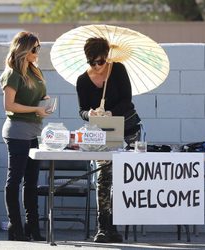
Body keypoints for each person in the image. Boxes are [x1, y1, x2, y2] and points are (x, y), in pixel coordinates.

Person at [76, 37, 141, 243]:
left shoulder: (118, 70)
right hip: (101, 133)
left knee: (123, 177)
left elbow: (127, 99)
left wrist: (111, 112)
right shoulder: (82, 80)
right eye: (91, 62)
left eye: (100, 62)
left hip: (127, 129)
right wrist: (92, 114)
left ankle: (118, 225)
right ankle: (104, 226)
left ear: (107, 56)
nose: (96, 66)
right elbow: (82, 110)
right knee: (104, 177)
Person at [0, 31, 51, 241]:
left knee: (31, 182)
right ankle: (15, 227)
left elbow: (34, 98)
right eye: (35, 48)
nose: (38, 52)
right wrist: (34, 109)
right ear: (24, 49)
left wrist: (44, 100)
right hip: (17, 131)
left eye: (39, 48)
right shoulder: (12, 73)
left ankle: (33, 229)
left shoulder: (35, 71)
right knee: (15, 180)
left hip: (34, 131)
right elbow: (9, 105)